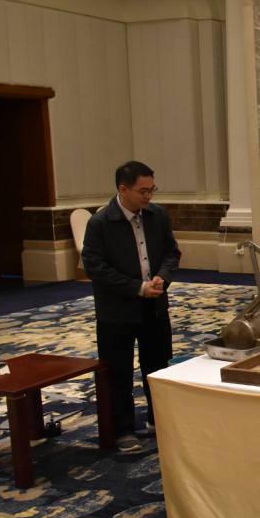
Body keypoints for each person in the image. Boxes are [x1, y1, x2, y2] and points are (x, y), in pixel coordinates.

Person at [81, 161, 181, 452]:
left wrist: (162, 277)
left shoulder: (157, 215)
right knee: (119, 372)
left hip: (154, 307)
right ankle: (123, 429)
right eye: (143, 191)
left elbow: (171, 252)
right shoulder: (100, 223)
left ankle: (158, 419)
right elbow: (95, 268)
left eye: (152, 189)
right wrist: (137, 288)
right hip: (116, 312)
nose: (149, 196)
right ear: (123, 189)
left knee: (158, 367)